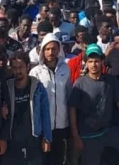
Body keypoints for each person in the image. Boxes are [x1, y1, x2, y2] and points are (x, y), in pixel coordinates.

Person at [67, 44, 119, 165]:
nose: (93, 65)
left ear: (102, 62)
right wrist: (75, 135)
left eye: (96, 61)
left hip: (108, 131)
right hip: (88, 135)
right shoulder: (80, 83)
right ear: (86, 63)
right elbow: (72, 109)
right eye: (90, 61)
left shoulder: (111, 80)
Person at [29, 34, 71, 165]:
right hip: (42, 125)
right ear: (42, 50)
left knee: (58, 159)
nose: (50, 52)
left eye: (53, 49)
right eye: (47, 49)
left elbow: (69, 94)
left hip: (61, 124)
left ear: (59, 50)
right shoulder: (35, 72)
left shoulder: (66, 69)